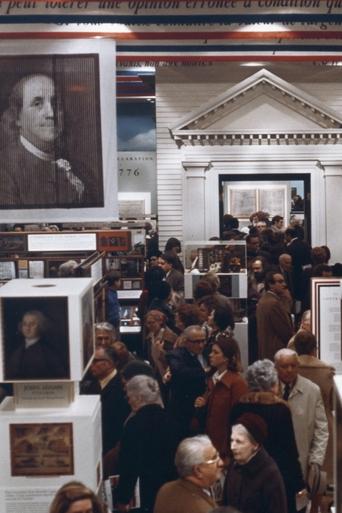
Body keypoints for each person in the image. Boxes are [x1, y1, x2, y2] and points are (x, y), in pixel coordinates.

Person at [0, 73, 98, 208]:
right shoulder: (4, 169)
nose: (51, 113)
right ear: (17, 116)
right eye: (37, 104)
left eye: (55, 103)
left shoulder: (81, 170)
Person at [230, 359, 305, 513]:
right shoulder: (280, 410)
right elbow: (289, 451)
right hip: (277, 475)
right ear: (273, 384)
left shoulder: (238, 408)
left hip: (245, 474)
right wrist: (298, 483)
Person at [116, 376, 178, 513]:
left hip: (145, 491)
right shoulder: (171, 419)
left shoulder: (134, 424)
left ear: (138, 398)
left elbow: (129, 465)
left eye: (129, 397)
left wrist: (123, 498)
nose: (129, 401)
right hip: (170, 489)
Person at [274, 349, 329, 485]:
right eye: (284, 366)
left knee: (299, 503)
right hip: (274, 462)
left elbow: (321, 429)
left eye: (293, 366)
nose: (289, 370)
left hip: (301, 461)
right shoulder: (267, 390)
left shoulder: (312, 390)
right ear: (275, 367)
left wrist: (316, 461)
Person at [194, 334, 247, 460]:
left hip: (225, 449)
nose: (210, 355)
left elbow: (239, 420)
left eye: (215, 352)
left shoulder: (237, 383)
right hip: (209, 445)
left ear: (226, 358)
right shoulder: (212, 379)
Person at [224, 413, 287, 513]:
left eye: (239, 442)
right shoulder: (234, 465)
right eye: (232, 440)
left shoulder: (270, 474)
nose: (232, 447)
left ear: (255, 445)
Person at [154, 435, 223, 513]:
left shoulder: (165, 489)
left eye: (218, 456)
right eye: (214, 458)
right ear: (198, 470)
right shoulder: (202, 509)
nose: (221, 463)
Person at [83, 346, 130, 456]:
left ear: (109, 363)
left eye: (95, 361)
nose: (91, 365)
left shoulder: (123, 386)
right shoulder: (90, 385)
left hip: (115, 450)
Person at [166, 325, 207, 437]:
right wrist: (205, 373)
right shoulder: (176, 356)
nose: (201, 345)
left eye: (203, 341)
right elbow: (180, 372)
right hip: (184, 412)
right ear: (186, 341)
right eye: (196, 342)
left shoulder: (208, 353)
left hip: (204, 410)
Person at [6, 309, 68, 380]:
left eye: (32, 324)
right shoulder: (17, 350)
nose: (27, 328)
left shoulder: (48, 352)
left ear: (41, 326)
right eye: (24, 324)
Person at [256, 271, 293, 359]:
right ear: (271, 285)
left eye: (283, 281)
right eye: (280, 282)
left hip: (266, 351)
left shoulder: (263, 300)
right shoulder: (274, 303)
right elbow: (286, 332)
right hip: (276, 352)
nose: (284, 284)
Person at [105, 271, 121, 337]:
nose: (120, 282)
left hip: (114, 323)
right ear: (115, 282)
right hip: (112, 324)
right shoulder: (109, 295)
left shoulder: (114, 292)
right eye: (119, 280)